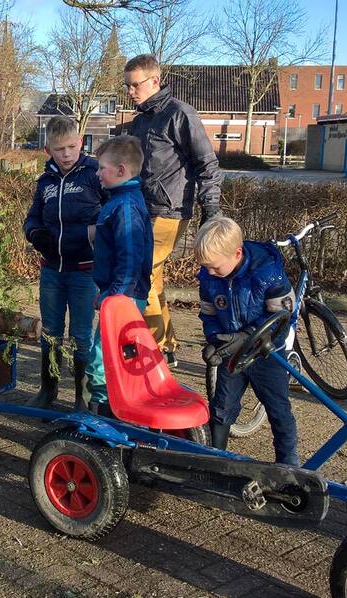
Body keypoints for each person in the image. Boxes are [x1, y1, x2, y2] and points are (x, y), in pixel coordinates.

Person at [124, 54, 224, 367]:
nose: (130, 91)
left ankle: (155, 351)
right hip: (141, 208)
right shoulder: (140, 120)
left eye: (135, 85)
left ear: (155, 80)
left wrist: (211, 206)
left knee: (141, 274)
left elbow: (207, 163)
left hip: (169, 210)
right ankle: (166, 347)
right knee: (151, 278)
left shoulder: (180, 114)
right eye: (127, 86)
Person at [196, 217, 299, 465]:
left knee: (279, 411)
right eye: (206, 267)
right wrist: (215, 341)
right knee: (221, 408)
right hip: (233, 354)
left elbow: (282, 316)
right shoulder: (209, 278)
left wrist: (247, 336)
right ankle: (215, 461)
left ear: (237, 253)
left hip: (266, 353)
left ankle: (288, 464)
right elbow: (209, 313)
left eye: (215, 267)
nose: (210, 272)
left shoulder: (267, 272)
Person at [23, 116, 105, 412]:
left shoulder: (95, 175)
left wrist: (90, 234)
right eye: (59, 149)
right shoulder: (45, 181)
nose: (67, 154)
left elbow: (112, 216)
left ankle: (82, 398)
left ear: (80, 142)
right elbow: (32, 217)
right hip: (51, 272)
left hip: (84, 271)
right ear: (48, 150)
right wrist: (34, 233)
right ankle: (48, 390)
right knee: (50, 332)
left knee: (81, 336)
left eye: (72, 146)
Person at [85, 135, 153, 416]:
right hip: (118, 293)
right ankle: (112, 405)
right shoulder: (120, 201)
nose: (98, 173)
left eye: (102, 168)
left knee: (102, 357)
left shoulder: (125, 207)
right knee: (111, 354)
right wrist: (104, 291)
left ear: (121, 170)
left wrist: (115, 297)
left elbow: (130, 259)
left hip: (124, 297)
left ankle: (105, 410)